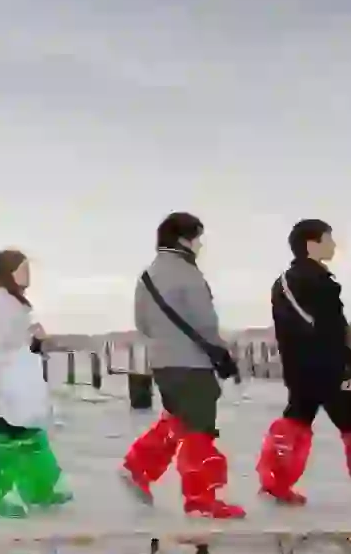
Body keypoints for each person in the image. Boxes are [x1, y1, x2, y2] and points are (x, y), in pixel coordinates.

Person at [121, 212, 244, 519]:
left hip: (162, 362)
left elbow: (142, 323)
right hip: (192, 363)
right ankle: (201, 500)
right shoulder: (188, 274)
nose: (201, 245)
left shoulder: (147, 275)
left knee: (178, 419)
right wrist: (222, 353)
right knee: (200, 428)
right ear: (183, 240)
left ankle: (137, 467)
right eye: (198, 238)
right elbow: (205, 322)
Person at [0, 250, 71, 517]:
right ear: (8, 271)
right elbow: (0, 343)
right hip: (7, 379)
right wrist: (30, 335)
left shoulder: (10, 301)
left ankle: (40, 487)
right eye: (22, 269)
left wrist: (33, 339)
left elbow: (17, 343)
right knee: (8, 438)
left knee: (30, 435)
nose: (28, 275)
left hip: (19, 378)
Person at [257, 219, 351, 504]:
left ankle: (275, 482)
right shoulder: (314, 281)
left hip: (300, 367)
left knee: (296, 419)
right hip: (326, 366)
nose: (333, 245)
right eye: (328, 239)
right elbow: (328, 327)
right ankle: (275, 483)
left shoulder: (288, 281)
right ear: (312, 244)